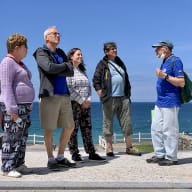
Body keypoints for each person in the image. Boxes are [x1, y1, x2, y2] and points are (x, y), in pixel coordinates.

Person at [33, 26, 76, 170]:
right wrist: (64, 66)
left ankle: (60, 156)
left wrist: (61, 67)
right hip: (49, 95)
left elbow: (70, 71)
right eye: (55, 33)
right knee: (49, 128)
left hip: (64, 95)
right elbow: (48, 68)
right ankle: (50, 159)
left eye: (59, 33)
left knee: (69, 126)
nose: (58, 35)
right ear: (47, 37)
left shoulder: (61, 52)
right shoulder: (40, 52)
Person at [92, 42, 141, 157]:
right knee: (108, 123)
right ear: (106, 51)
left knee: (127, 122)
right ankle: (109, 148)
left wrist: (128, 94)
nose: (115, 50)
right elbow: (96, 80)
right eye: (112, 49)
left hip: (123, 97)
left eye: (115, 48)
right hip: (109, 98)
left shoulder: (120, 62)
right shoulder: (102, 64)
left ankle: (129, 147)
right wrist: (101, 94)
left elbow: (125, 77)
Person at [0, 33, 35, 177]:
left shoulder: (19, 63)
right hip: (15, 106)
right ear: (16, 47)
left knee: (22, 136)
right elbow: (6, 87)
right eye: (25, 46)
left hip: (25, 106)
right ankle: (7, 167)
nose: (27, 49)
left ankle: (19, 163)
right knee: (12, 137)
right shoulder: (7, 63)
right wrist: (12, 109)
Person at [146, 40, 185, 166]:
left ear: (166, 49)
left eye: (158, 49)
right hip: (160, 101)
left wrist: (165, 76)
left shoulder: (176, 61)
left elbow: (181, 82)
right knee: (155, 128)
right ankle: (159, 154)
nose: (155, 51)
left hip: (170, 101)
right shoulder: (164, 62)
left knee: (169, 130)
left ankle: (171, 157)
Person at [66, 48, 106, 162]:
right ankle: (74, 153)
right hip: (74, 104)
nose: (81, 56)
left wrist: (88, 100)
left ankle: (91, 152)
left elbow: (88, 87)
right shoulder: (68, 70)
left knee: (87, 128)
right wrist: (81, 101)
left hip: (86, 104)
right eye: (78, 54)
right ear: (71, 57)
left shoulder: (82, 70)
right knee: (73, 129)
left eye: (81, 54)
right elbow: (69, 88)